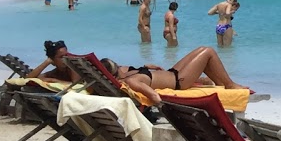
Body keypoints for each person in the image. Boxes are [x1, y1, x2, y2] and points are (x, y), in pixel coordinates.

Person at [99, 46, 245, 105]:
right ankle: (229, 84)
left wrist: (145, 68)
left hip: (172, 72)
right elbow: (155, 97)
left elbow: (139, 74)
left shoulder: (124, 72)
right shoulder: (131, 82)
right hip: (179, 82)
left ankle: (220, 83)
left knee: (201, 49)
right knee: (208, 52)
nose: (120, 66)